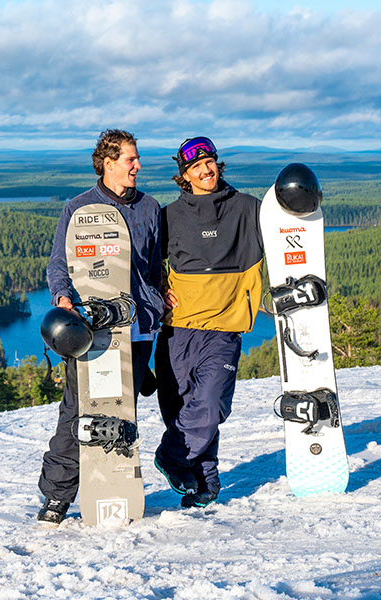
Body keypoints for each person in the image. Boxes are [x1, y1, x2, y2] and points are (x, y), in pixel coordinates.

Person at [37, 129, 164, 524]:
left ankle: (117, 485)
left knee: (124, 410)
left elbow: (157, 265)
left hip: (139, 327)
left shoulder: (150, 207)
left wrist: (163, 295)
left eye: (137, 159)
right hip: (91, 329)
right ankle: (57, 496)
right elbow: (59, 263)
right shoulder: (78, 210)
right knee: (78, 411)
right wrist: (62, 298)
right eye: (130, 160)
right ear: (108, 163)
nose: (138, 166)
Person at [154, 136, 263, 507]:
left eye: (209, 162)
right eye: (195, 167)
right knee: (184, 409)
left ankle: (171, 457)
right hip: (177, 330)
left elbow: (287, 235)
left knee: (212, 403)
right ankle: (204, 484)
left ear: (218, 163)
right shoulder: (168, 216)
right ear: (184, 175)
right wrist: (156, 289)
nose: (205, 170)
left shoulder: (248, 209)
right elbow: (146, 262)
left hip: (224, 326)